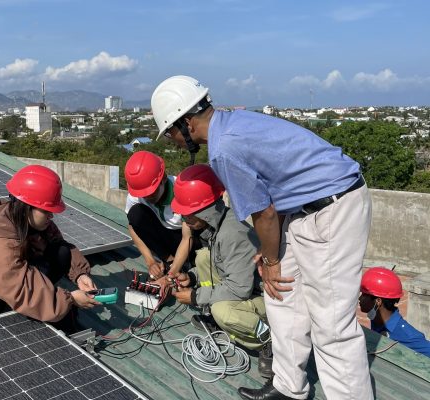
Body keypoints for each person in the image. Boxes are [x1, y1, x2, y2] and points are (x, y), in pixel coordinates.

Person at [151, 75, 373, 400]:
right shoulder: (231, 122)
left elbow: (264, 213)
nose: (171, 140)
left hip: (333, 208)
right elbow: (277, 185)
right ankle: (288, 387)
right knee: (280, 295)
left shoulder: (223, 149)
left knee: (331, 324)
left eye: (170, 131)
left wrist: (271, 258)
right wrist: (274, 251)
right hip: (301, 210)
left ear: (186, 123)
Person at [0, 165, 100, 333]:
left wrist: (80, 275)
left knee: (61, 251)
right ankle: (35, 307)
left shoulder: (26, 219)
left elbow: (58, 243)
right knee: (49, 308)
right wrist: (69, 300)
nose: (51, 215)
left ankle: (41, 302)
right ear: (26, 207)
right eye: (46, 210)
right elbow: (16, 284)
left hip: (6, 278)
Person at [169, 164, 273, 378]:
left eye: (187, 215)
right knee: (203, 257)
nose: (184, 220)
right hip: (244, 287)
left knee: (223, 311)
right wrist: (191, 277)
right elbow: (221, 265)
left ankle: (268, 339)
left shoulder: (232, 234)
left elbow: (240, 290)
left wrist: (196, 296)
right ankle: (216, 317)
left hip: (265, 299)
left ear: (205, 212)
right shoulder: (219, 225)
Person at [124, 150, 199, 280]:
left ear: (163, 178)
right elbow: (133, 228)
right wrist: (151, 262)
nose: (147, 197)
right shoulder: (136, 195)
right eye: (143, 194)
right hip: (165, 240)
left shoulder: (182, 192)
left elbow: (188, 237)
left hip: (189, 239)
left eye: (152, 192)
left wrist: (172, 273)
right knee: (136, 214)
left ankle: (186, 265)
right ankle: (168, 260)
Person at [360, 267, 430, 357]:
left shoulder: (408, 335)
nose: (360, 299)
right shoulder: (377, 319)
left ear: (378, 301)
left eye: (364, 295)